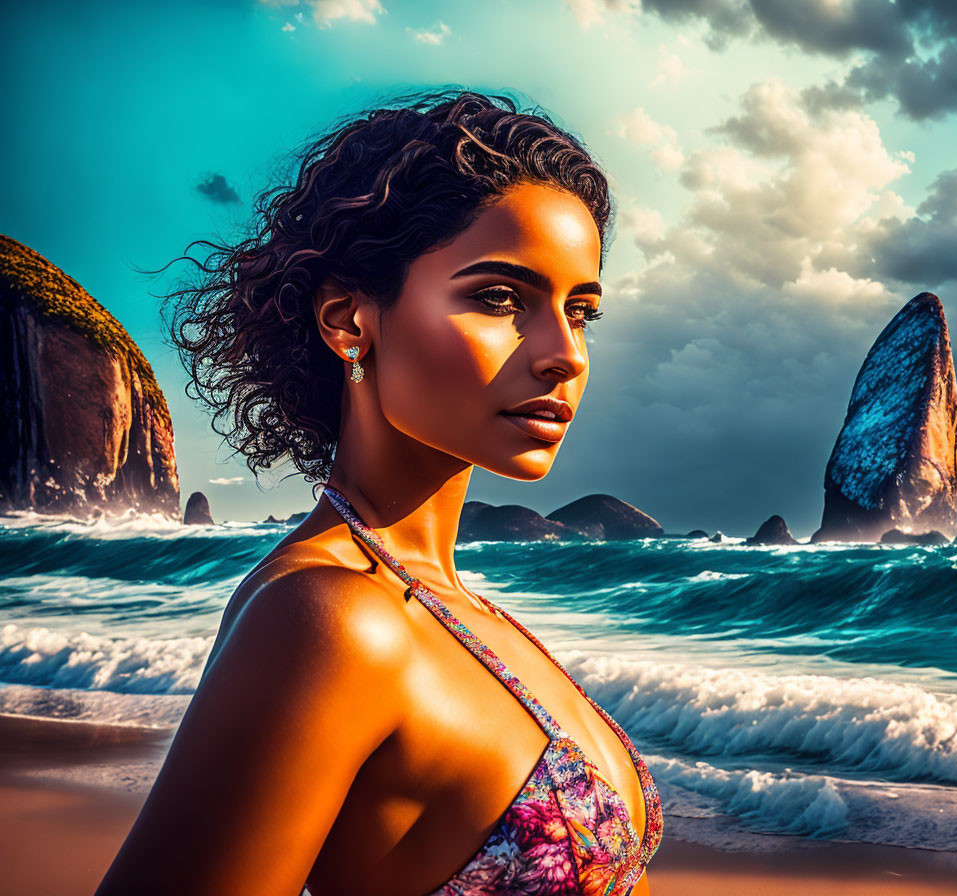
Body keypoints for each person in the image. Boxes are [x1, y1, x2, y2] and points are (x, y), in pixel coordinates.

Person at [95, 88, 663, 896]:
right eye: (502, 299)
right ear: (349, 323)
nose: (563, 353)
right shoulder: (333, 619)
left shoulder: (450, 607)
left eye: (582, 312)